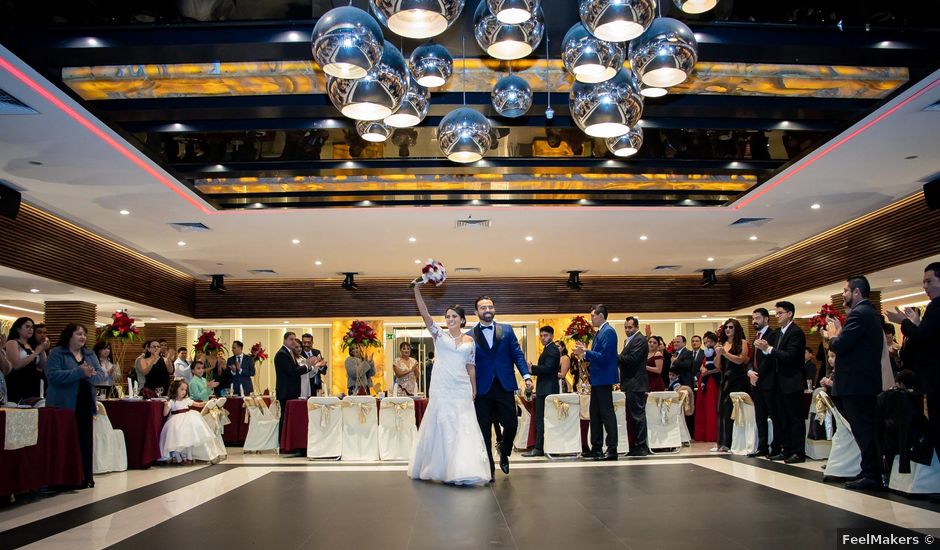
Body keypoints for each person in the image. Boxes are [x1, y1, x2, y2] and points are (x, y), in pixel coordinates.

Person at [408, 283, 490, 485]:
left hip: (461, 387)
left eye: (454, 316)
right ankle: (440, 468)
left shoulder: (470, 341)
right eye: (448, 316)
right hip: (441, 386)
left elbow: (471, 367)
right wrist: (416, 290)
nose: (450, 319)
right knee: (443, 424)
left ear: (462, 320)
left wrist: (474, 388)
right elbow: (425, 314)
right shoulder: (439, 335)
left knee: (463, 425)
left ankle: (463, 468)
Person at [824, 275, 885, 491]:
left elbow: (840, 345)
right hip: (861, 382)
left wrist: (832, 336)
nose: (843, 295)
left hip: (857, 383)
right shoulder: (866, 313)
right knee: (863, 430)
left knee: (864, 430)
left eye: (846, 291)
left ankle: (872, 474)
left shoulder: (860, 314)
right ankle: (870, 470)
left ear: (857, 292)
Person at [886, 262, 940, 474]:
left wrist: (903, 322)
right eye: (923, 282)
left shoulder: (936, 306)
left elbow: (922, 336)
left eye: (929, 281)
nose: (925, 286)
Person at [472, 295, 533, 480]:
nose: (487, 310)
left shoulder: (506, 330)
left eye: (490, 307)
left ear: (494, 309)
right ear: (476, 312)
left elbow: (517, 355)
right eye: (483, 308)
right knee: (483, 430)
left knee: (512, 423)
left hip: (504, 385)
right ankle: (489, 467)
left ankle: (504, 451)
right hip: (481, 390)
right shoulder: (469, 336)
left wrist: (527, 376)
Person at [45, 323, 109, 488]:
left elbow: (100, 375)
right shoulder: (57, 353)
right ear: (69, 335)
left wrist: (88, 375)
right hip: (63, 404)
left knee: (84, 440)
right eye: (79, 334)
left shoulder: (88, 354)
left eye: (84, 335)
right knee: (65, 440)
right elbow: (53, 376)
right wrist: (79, 372)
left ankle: (84, 477)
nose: (83, 337)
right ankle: (63, 479)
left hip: (85, 401)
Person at [755, 301, 807, 463]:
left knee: (795, 419)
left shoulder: (796, 332)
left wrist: (769, 349)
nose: (777, 316)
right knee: (782, 418)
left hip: (792, 381)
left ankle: (798, 452)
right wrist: (765, 350)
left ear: (789, 313)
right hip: (778, 382)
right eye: (776, 313)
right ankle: (786, 449)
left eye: (780, 313)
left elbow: (790, 356)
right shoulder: (778, 333)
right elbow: (773, 355)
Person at [574, 304, 618, 461]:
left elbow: (605, 356)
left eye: (593, 315)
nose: (591, 318)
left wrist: (585, 352)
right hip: (598, 378)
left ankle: (612, 449)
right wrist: (585, 351)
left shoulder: (609, 332)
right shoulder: (600, 332)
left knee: (606, 414)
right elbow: (597, 354)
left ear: (601, 315)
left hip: (604, 378)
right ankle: (596, 447)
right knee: (596, 414)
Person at [159, 378, 221, 464]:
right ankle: (178, 457)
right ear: (175, 389)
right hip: (176, 421)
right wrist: (166, 406)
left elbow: (198, 404)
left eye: (185, 390)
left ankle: (189, 457)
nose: (184, 392)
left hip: (188, 418)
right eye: (181, 389)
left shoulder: (186, 400)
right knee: (178, 440)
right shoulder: (172, 401)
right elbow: (165, 414)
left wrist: (208, 402)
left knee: (190, 439)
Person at [523, 326, 561, 457]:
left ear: (552, 336)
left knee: (541, 419)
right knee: (540, 419)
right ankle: (540, 447)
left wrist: (531, 368)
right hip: (545, 388)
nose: (542, 338)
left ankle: (539, 448)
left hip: (547, 389)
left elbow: (549, 369)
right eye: (541, 336)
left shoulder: (552, 349)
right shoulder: (548, 349)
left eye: (545, 335)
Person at [747, 308, 779, 458]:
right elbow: (751, 358)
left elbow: (770, 359)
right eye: (753, 318)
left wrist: (757, 374)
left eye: (757, 318)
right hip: (755, 382)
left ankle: (776, 447)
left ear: (766, 319)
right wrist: (749, 372)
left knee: (774, 415)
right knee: (759, 416)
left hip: (767, 381)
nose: (754, 321)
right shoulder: (756, 336)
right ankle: (762, 446)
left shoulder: (773, 335)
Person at [715, 319, 750, 452]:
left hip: (739, 379)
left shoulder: (743, 342)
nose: (728, 330)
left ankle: (736, 441)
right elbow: (718, 366)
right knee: (723, 411)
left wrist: (725, 353)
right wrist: (718, 354)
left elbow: (740, 359)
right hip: (726, 378)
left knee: (734, 411)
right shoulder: (723, 344)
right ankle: (724, 442)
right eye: (726, 328)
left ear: (736, 329)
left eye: (731, 327)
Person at [274, 332, 316, 439]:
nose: (293, 342)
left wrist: (309, 367)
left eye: (294, 339)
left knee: (289, 417)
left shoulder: (289, 353)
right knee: (284, 417)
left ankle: (288, 440)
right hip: (286, 391)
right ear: (285, 340)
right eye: (291, 339)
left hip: (291, 391)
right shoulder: (282, 354)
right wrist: (308, 366)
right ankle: (283, 441)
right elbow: (292, 371)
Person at [618, 316, 649, 456]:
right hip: (630, 383)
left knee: (637, 416)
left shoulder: (640, 339)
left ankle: (641, 446)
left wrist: (613, 356)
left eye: (630, 327)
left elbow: (633, 359)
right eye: (625, 327)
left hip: (636, 383)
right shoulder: (630, 340)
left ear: (636, 327)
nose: (627, 330)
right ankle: (636, 444)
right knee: (632, 416)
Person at [4, 317, 49, 403]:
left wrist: (42, 349)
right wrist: (36, 353)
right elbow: (16, 365)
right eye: (27, 327)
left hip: (33, 385)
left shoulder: (31, 345)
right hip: (18, 384)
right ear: (18, 329)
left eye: (32, 327)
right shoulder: (12, 343)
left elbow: (42, 366)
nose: (30, 329)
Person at [694, 332, 720, 443]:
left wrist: (707, 372)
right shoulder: (707, 353)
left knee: (711, 407)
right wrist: (702, 369)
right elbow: (702, 365)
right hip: (704, 380)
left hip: (712, 381)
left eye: (709, 341)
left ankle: (712, 434)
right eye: (705, 342)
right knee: (702, 407)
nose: (707, 344)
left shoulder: (717, 352)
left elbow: (719, 368)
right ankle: (703, 433)